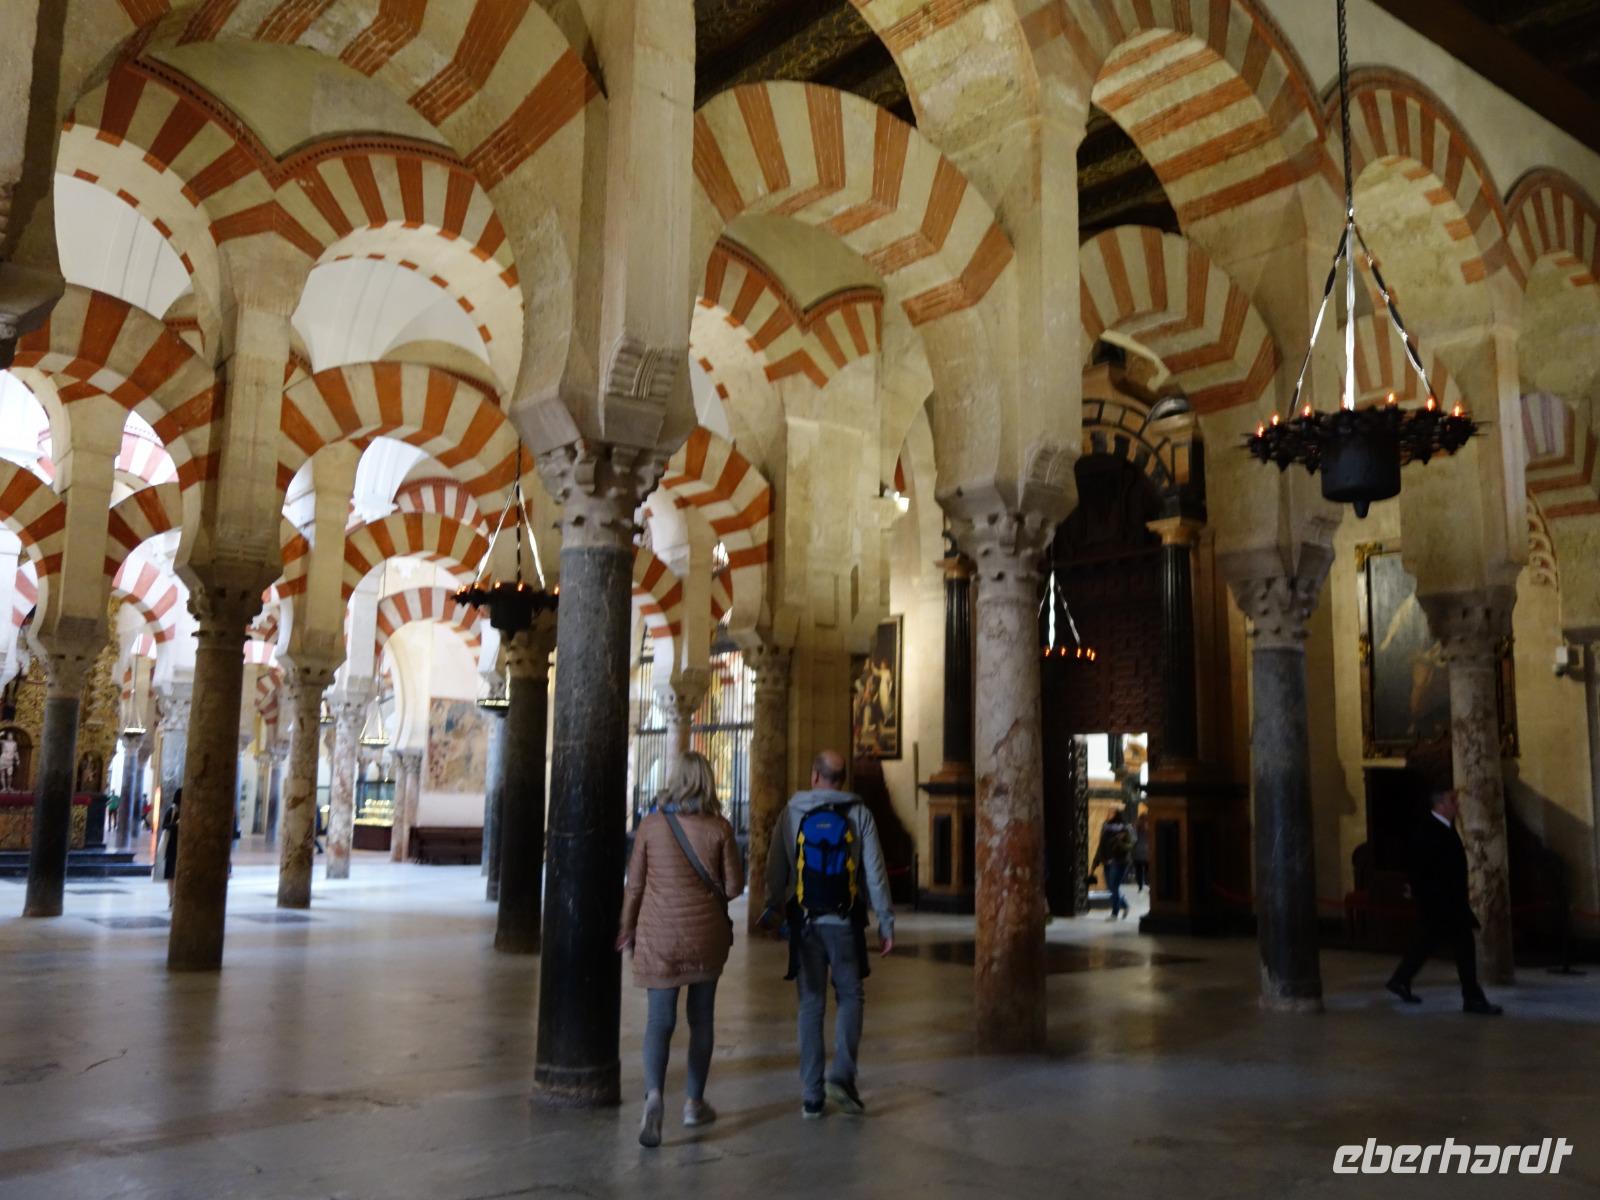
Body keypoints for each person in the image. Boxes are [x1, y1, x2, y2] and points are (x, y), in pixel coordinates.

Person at [616, 751, 744, 1149]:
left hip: (660, 937)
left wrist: (626, 927)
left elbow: (634, 885)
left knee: (659, 1021)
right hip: (705, 935)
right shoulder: (720, 827)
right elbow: (736, 888)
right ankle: (694, 1103)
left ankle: (654, 1097)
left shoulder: (651, 826)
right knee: (701, 1019)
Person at [763, 749, 894, 1119]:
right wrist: (886, 922)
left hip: (805, 925)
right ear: (843, 780)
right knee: (851, 996)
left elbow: (775, 871)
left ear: (814, 776)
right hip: (845, 924)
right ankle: (842, 1076)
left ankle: (811, 1095)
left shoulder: (792, 813)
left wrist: (772, 909)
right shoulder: (859, 814)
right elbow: (875, 874)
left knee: (810, 1004)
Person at [1387, 789, 1502, 1015]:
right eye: (1452, 801)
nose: (1457, 805)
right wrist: (1422, 892)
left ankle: (1400, 980)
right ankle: (1472, 998)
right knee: (1464, 947)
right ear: (1439, 805)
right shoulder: (1428, 829)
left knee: (1426, 943)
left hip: (1447, 901)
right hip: (1441, 902)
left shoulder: (1444, 827)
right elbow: (1419, 865)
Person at [1091, 809, 1134, 920]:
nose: (1108, 814)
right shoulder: (1105, 827)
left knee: (1114, 886)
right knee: (1111, 888)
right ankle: (1124, 906)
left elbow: (1131, 845)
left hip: (1119, 862)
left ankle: (1115, 913)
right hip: (1106, 861)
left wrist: (1120, 842)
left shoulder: (1126, 828)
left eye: (1111, 813)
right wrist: (1095, 862)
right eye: (1108, 812)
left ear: (1117, 815)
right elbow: (1101, 846)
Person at [159, 790, 181, 907]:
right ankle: (172, 899)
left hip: (183, 847)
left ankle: (178, 898)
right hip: (172, 846)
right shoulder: (172, 811)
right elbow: (164, 826)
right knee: (171, 874)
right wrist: (176, 824)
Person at [1132, 805, 1150, 893]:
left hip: (1137, 852)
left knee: (1138, 870)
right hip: (1148, 851)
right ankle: (1148, 882)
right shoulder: (1149, 826)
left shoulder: (1136, 826)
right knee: (1148, 869)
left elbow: (1133, 838)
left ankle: (1140, 885)